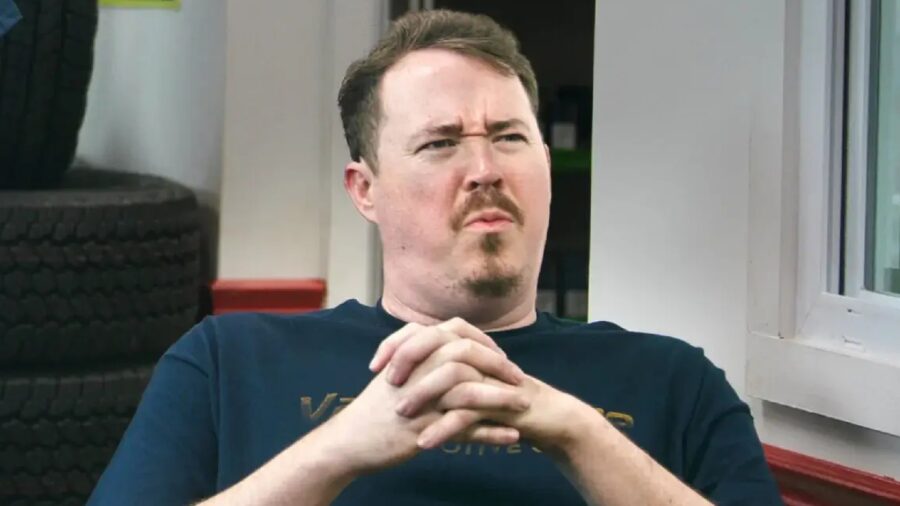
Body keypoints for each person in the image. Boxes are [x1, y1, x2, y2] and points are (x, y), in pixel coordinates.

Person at [88, 9, 782, 506]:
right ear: (365, 190)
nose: (485, 169)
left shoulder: (674, 381)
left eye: (509, 138)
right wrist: (340, 448)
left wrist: (576, 432)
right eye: (440, 143)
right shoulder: (229, 363)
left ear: (546, 165)